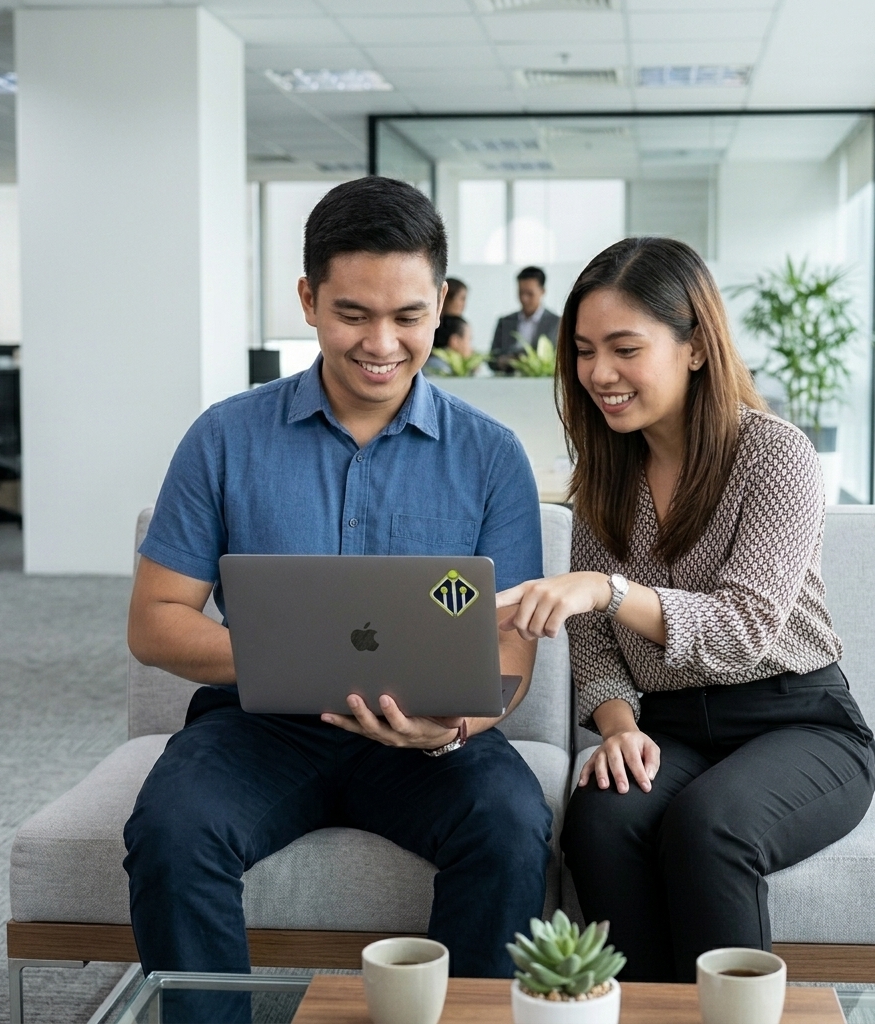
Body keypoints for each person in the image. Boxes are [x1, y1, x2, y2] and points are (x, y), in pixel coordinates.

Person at [123, 177, 552, 1023]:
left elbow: (509, 655)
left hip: (426, 738)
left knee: (510, 824)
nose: (382, 344)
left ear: (441, 308)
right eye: (353, 313)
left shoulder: (492, 456)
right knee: (172, 830)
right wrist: (295, 666)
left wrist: (457, 726)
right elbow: (155, 623)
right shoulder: (224, 438)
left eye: (410, 316)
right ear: (309, 300)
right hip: (259, 727)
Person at [496, 236, 875, 983]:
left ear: (696, 347)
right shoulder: (607, 472)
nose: (598, 373)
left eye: (624, 348)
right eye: (582, 350)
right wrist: (620, 727)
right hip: (671, 727)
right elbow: (599, 649)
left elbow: (743, 630)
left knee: (710, 828)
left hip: (796, 718)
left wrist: (608, 589)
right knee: (603, 823)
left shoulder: (775, 455)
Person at [490, 266, 561, 373]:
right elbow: (492, 359)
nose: (524, 299)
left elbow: (561, 359)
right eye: (521, 293)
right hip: (508, 382)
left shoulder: (557, 323)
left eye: (530, 294)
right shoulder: (505, 322)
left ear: (542, 291)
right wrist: (504, 361)